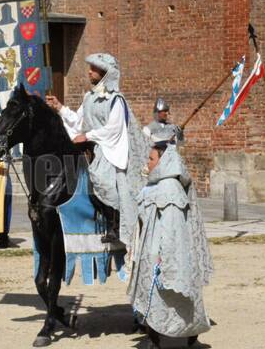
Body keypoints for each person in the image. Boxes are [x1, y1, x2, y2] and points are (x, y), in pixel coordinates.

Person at [45, 53, 149, 244]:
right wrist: (59, 107)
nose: (90, 72)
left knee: (104, 182)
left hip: (111, 149)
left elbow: (114, 128)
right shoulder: (89, 97)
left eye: (94, 69)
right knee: (90, 188)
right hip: (94, 149)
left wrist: (88, 136)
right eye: (90, 68)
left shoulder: (116, 100)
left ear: (105, 73)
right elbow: (79, 122)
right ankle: (104, 221)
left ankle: (116, 225)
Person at [128, 141, 213, 349]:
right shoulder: (155, 184)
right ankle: (156, 336)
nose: (148, 162)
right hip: (150, 247)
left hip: (162, 251)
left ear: (164, 161)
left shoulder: (169, 188)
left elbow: (173, 228)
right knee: (153, 295)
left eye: (152, 159)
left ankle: (183, 337)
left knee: (166, 294)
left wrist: (163, 256)